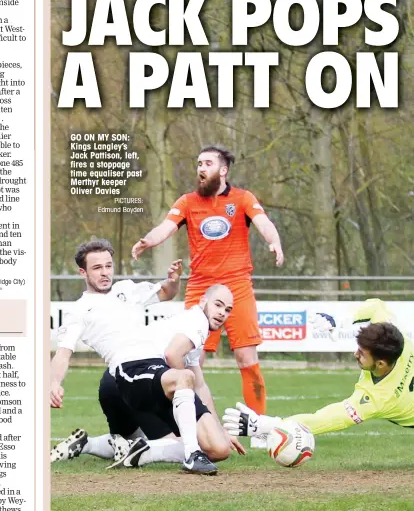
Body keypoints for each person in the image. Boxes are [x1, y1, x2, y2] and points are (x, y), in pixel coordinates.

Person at [131, 144, 284, 447]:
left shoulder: (243, 199)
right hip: (201, 286)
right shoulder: (188, 202)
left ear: (223, 170)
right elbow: (166, 227)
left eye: (208, 163)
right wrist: (147, 241)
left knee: (246, 356)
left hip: (237, 284)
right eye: (198, 163)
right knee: (188, 359)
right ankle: (186, 427)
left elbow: (264, 223)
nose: (201, 168)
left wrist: (274, 240)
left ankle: (258, 427)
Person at [50, 239, 233, 475]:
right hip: (130, 370)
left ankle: (146, 449)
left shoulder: (126, 288)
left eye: (108, 265)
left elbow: (167, 292)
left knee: (220, 448)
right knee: (184, 376)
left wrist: (173, 280)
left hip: (158, 369)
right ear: (82, 272)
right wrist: (54, 382)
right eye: (97, 268)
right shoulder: (79, 310)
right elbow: (63, 353)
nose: (105, 273)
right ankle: (191, 456)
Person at [222, 299, 414, 440]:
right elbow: (377, 307)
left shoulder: (376, 399)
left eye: (362, 354)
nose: (356, 355)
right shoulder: (399, 341)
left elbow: (324, 420)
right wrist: (341, 320)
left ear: (381, 364)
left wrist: (268, 425)